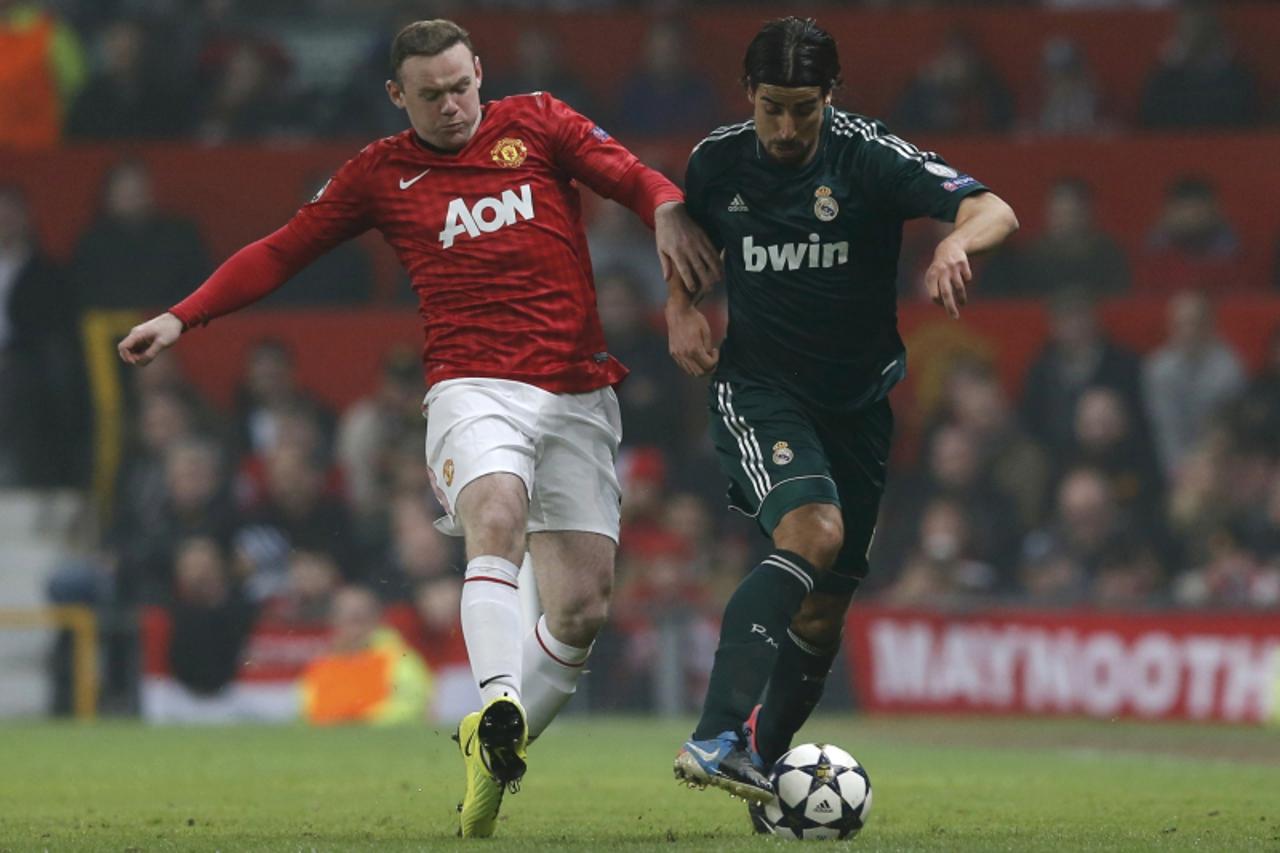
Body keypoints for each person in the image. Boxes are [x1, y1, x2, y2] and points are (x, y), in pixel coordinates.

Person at [116, 18, 719, 839]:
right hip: (471, 387)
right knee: (496, 511)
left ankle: (489, 752)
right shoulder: (379, 172)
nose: (451, 105)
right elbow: (283, 250)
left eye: (462, 86)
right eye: (430, 95)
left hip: (577, 390)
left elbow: (630, 175)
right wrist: (185, 317)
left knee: (581, 610)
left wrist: (668, 207)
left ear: (480, 70)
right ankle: (499, 702)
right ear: (398, 96)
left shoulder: (538, 121)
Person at [664, 17, 1017, 807]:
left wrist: (960, 243)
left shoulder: (869, 155)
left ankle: (761, 762)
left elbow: (995, 208)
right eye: (773, 108)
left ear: (832, 96)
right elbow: (688, 242)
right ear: (748, 95)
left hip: (857, 404)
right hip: (759, 389)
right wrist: (680, 307)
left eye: (804, 109)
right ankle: (715, 734)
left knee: (822, 617)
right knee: (812, 530)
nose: (787, 128)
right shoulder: (718, 160)